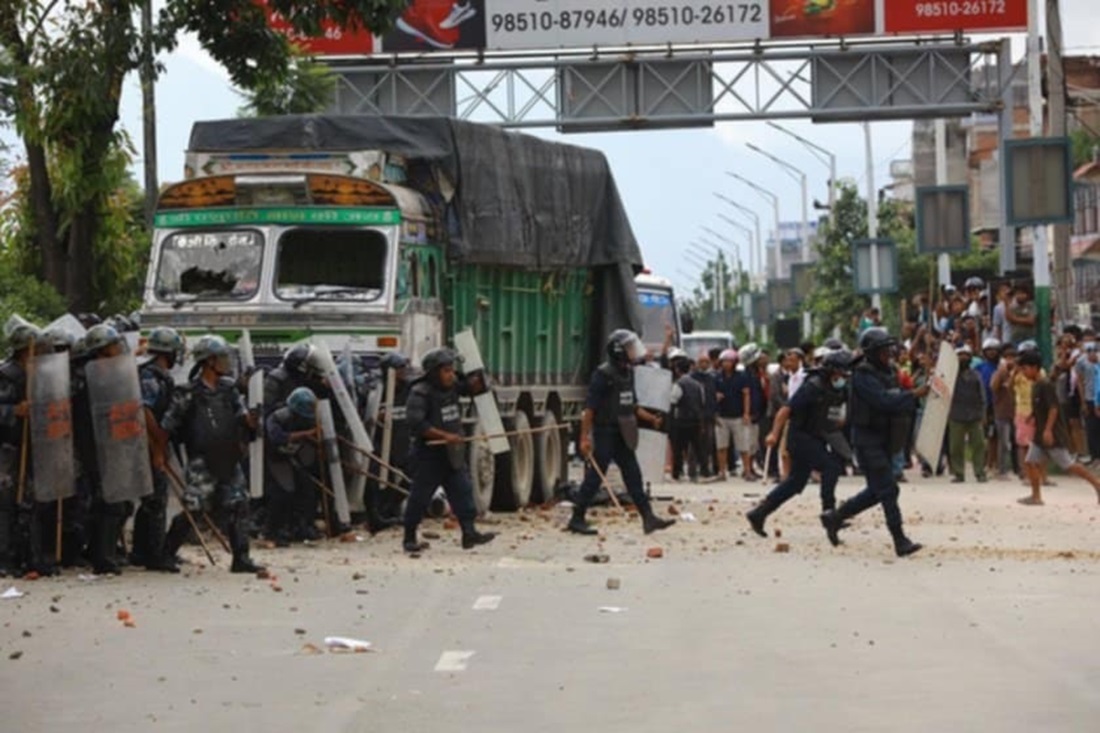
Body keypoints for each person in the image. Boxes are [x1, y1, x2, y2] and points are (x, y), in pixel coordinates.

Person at [821, 327, 929, 557]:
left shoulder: (888, 371)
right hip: (867, 440)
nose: (888, 353)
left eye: (889, 349)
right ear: (872, 352)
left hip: (884, 438)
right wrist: (913, 395)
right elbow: (883, 402)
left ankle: (835, 517)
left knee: (876, 490)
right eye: (883, 350)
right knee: (888, 489)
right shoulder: (863, 375)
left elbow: (897, 396)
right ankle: (900, 540)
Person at [160, 335, 264, 574]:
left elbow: (241, 417)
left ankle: (241, 558)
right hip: (202, 460)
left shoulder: (229, 389)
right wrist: (160, 454)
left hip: (228, 456)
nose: (226, 362)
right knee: (195, 507)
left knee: (239, 504)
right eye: (222, 358)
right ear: (209, 362)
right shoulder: (187, 393)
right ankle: (166, 554)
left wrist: (251, 420)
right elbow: (167, 426)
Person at [568, 330, 675, 537]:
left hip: (623, 432)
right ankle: (577, 517)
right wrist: (584, 437)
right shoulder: (603, 374)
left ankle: (648, 518)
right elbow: (589, 409)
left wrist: (650, 418)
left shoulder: (628, 372)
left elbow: (631, 404)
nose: (634, 351)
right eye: (629, 347)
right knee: (595, 477)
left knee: (633, 475)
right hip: (606, 430)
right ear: (618, 350)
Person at [746, 350, 855, 537]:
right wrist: (774, 434)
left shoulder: (839, 389)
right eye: (841, 373)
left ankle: (759, 513)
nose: (844, 377)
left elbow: (836, 414)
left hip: (817, 436)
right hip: (800, 437)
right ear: (831, 371)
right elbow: (785, 410)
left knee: (796, 482)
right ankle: (829, 513)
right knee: (831, 467)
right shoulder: (813, 386)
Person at [402, 348, 497, 553]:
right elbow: (417, 424)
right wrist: (445, 437)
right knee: (419, 497)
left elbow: (472, 388)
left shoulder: (452, 386)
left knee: (463, 492)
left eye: (452, 370)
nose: (451, 375)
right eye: (446, 371)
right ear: (434, 373)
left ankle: (469, 533)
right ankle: (409, 537)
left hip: (452, 455)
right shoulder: (420, 392)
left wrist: (478, 380)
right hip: (429, 455)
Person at [72, 324, 133, 575]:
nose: (118, 350)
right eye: (113, 346)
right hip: (94, 448)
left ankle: (100, 551)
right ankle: (102, 558)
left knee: (116, 503)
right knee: (108, 503)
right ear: (101, 350)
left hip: (112, 446)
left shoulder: (110, 374)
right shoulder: (87, 378)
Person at [0, 323, 56, 577]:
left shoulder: (40, 375)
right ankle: (5, 558)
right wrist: (13, 411)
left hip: (34, 447)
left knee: (32, 504)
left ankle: (32, 557)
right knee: (7, 504)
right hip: (9, 449)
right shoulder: (6, 375)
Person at [131, 327, 185, 572]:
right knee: (155, 499)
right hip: (147, 444)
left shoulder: (161, 375)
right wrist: (158, 445)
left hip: (155, 443)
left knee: (152, 498)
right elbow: (145, 411)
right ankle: (153, 554)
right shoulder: (149, 376)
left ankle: (141, 552)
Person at [1017, 350, 1100, 506]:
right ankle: (1036, 496)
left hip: (1051, 433)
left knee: (1068, 465)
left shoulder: (1045, 385)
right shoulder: (1035, 385)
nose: (1023, 372)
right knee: (1029, 461)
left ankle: (1096, 483)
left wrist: (1048, 430)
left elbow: (1053, 408)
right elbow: (1040, 406)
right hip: (1040, 434)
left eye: (1025, 368)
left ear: (1035, 367)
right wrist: (1032, 415)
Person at [264, 387, 320, 547]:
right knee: (283, 492)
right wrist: (304, 434)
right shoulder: (278, 417)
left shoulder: (306, 418)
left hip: (294, 458)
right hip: (276, 458)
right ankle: (272, 531)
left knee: (306, 490)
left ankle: (299, 527)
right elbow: (277, 437)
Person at [367, 352, 412, 532]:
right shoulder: (377, 390)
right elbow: (365, 413)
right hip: (380, 442)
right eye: (399, 369)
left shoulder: (409, 389)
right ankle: (378, 514)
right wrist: (375, 416)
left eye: (404, 368)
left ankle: (392, 507)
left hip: (402, 440)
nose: (403, 372)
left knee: (411, 477)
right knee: (377, 478)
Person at [947, 345, 988, 483]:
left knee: (978, 445)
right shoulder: (950, 376)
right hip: (956, 415)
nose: (963, 358)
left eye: (966, 355)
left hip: (974, 415)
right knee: (956, 446)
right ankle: (959, 473)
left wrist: (983, 414)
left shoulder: (976, 375)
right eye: (960, 355)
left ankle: (980, 472)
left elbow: (982, 396)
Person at [668, 349, 707, 483]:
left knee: (678, 448)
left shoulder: (678, 384)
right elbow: (702, 402)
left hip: (681, 421)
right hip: (695, 420)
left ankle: (676, 473)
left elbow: (673, 402)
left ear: (678, 370)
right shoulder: (697, 385)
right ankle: (704, 472)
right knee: (698, 448)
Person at [732, 344, 766, 482]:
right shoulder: (745, 376)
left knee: (753, 445)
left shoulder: (756, 374)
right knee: (746, 443)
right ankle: (747, 470)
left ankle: (751, 468)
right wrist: (747, 412)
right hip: (748, 415)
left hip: (756, 414)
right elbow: (746, 395)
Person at [990, 345, 1018, 480]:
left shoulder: (1020, 373)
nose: (1010, 360)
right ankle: (1002, 470)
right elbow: (993, 387)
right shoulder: (1000, 373)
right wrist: (1002, 372)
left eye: (1013, 357)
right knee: (1004, 443)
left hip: (1017, 412)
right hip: (1002, 412)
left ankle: (1019, 469)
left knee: (1018, 442)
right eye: (1007, 358)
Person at [713, 349, 741, 480]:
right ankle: (722, 472)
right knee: (721, 446)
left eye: (729, 361)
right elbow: (710, 395)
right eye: (724, 361)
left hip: (737, 414)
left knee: (743, 445)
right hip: (721, 416)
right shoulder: (716, 377)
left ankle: (746, 470)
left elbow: (746, 394)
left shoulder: (741, 376)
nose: (726, 364)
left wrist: (746, 413)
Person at [1075, 339, 1098, 463]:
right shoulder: (1081, 362)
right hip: (1089, 397)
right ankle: (1094, 456)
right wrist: (1083, 401)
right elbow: (1079, 381)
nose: (1093, 353)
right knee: (1091, 427)